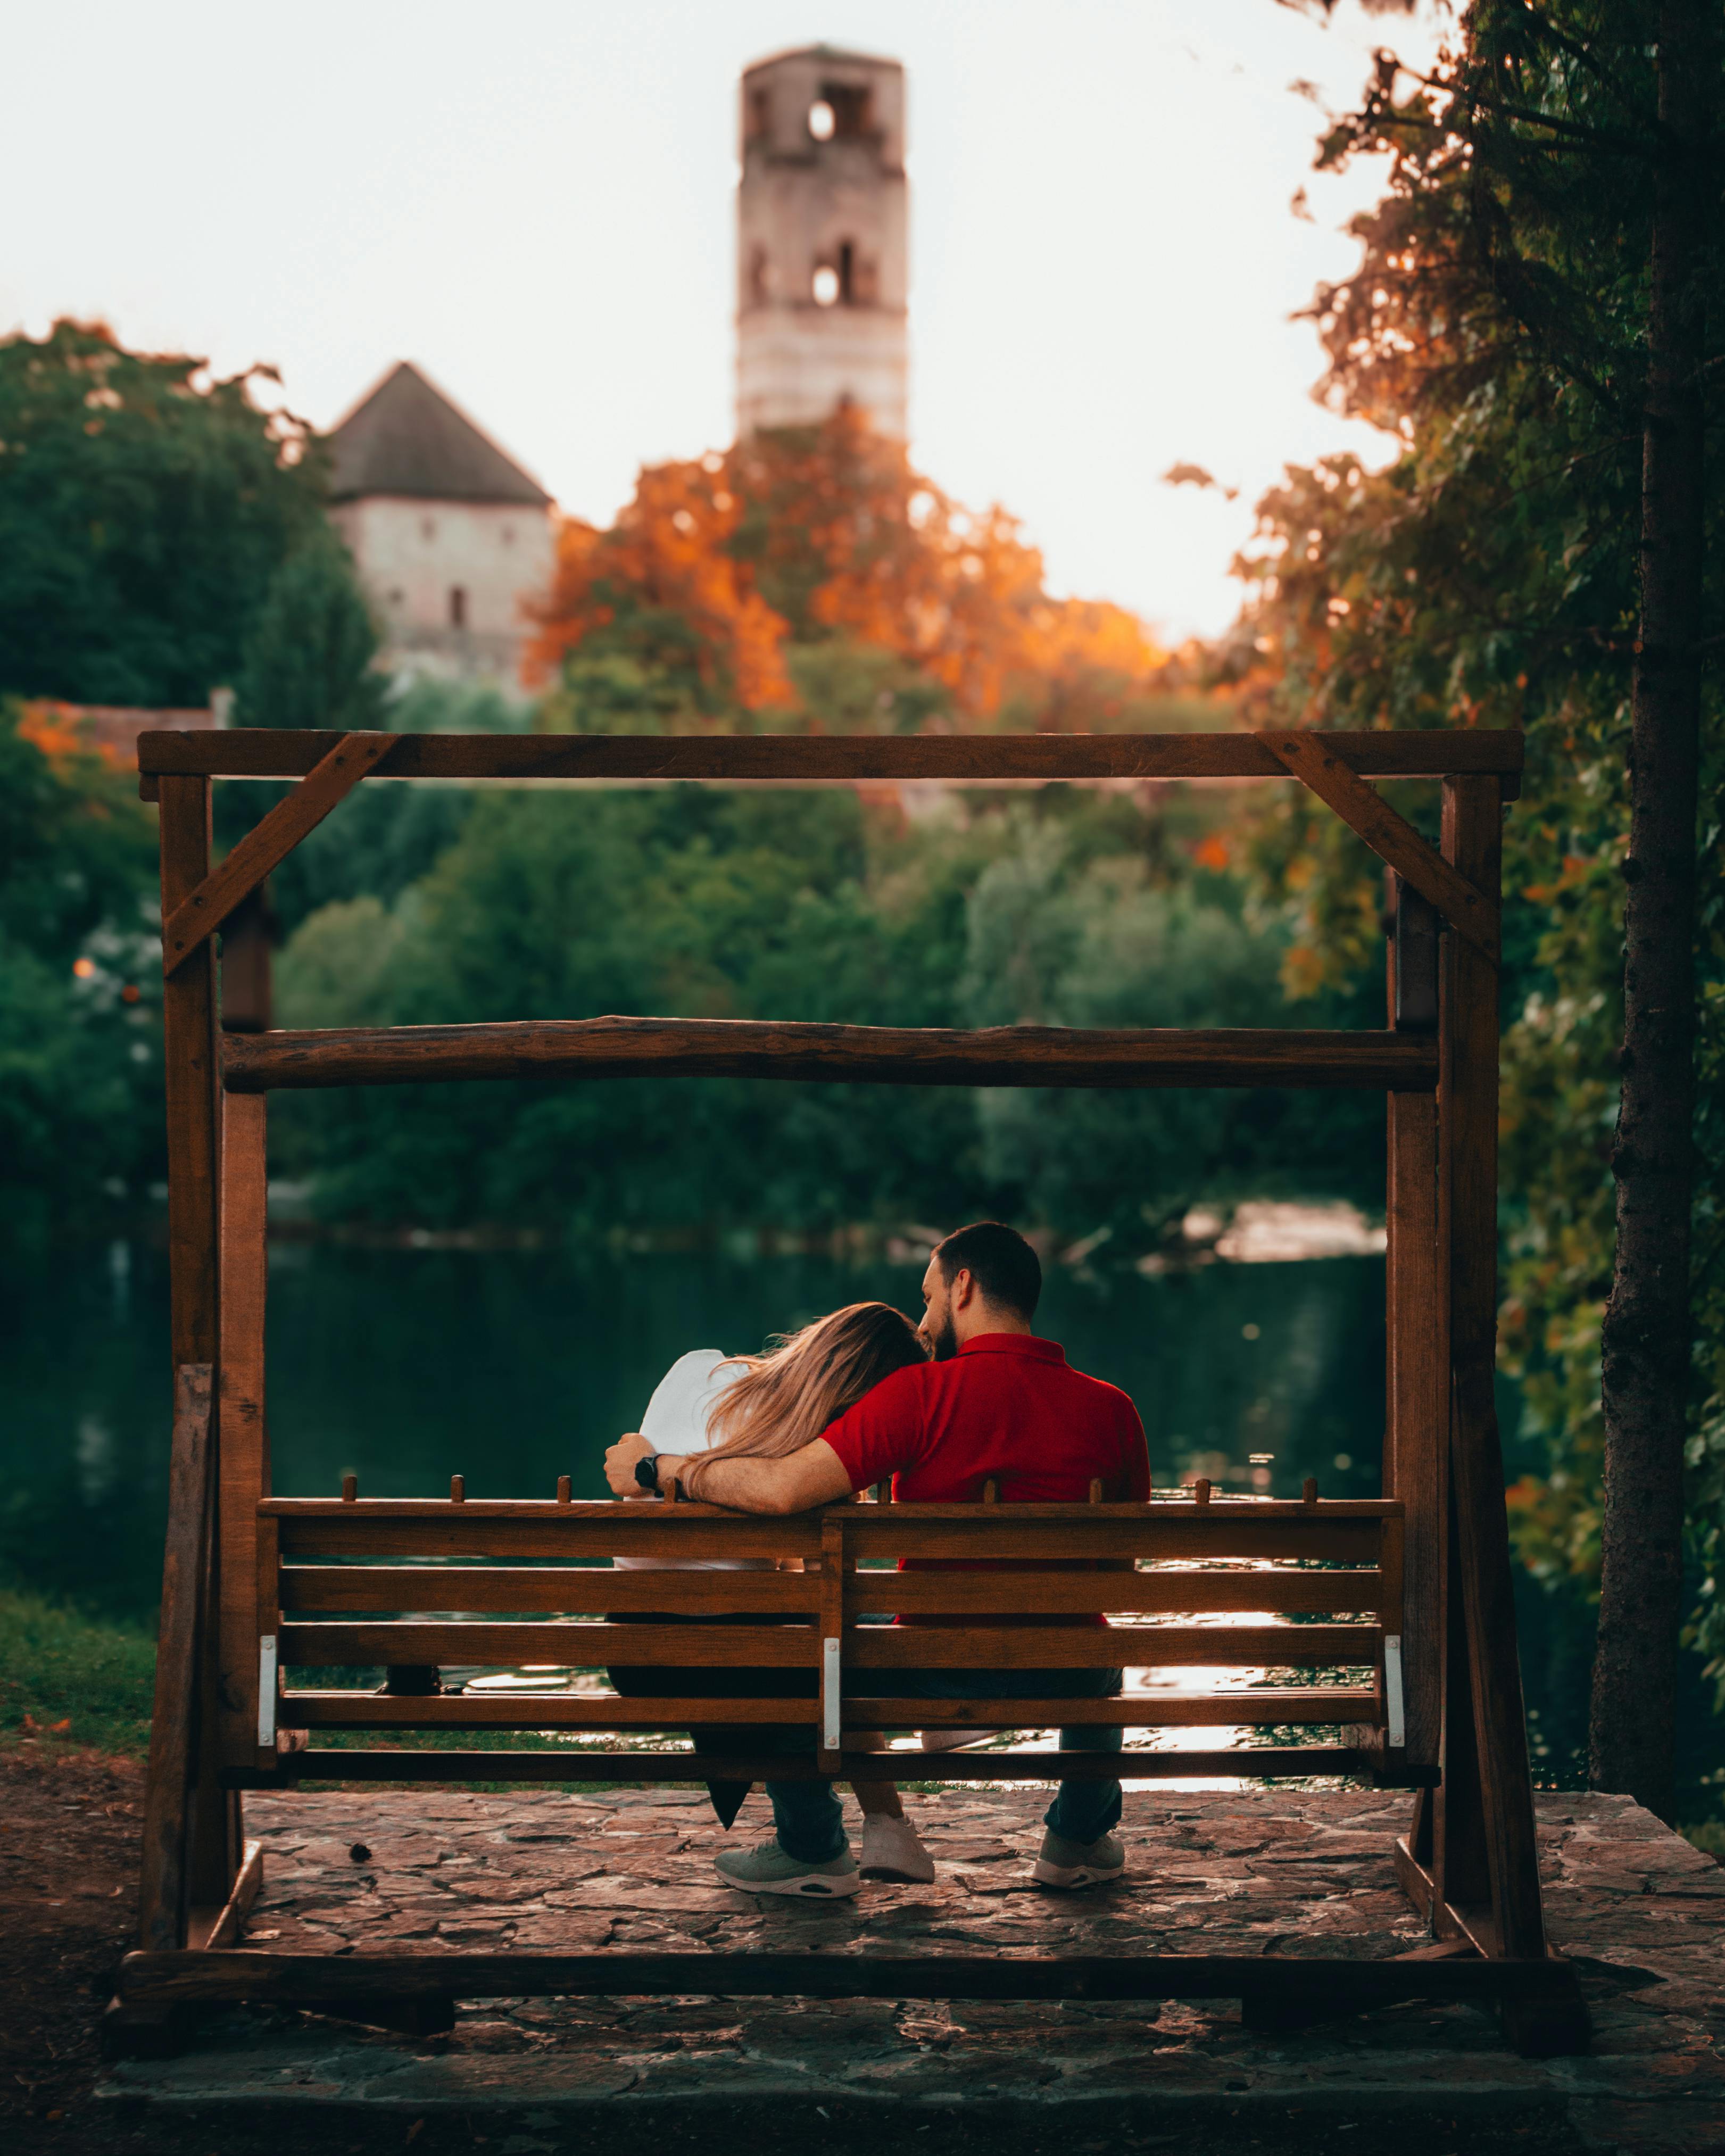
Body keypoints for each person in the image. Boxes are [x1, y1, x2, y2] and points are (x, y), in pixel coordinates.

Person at [605, 1222, 1151, 1902]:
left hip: (924, 1666)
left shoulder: (917, 1397)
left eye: (926, 1295)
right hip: (1066, 1664)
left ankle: (816, 1843)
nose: (923, 1321)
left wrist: (660, 1467)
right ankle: (1074, 1840)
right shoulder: (1114, 1409)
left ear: (962, 1286)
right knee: (1104, 1649)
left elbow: (782, 1489)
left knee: (820, 1638)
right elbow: (1123, 1567)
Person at [607, 1302, 940, 1885]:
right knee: (836, 1640)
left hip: (638, 1649)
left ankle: (847, 1837)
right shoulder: (805, 1459)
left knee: (815, 1634)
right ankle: (835, 1840)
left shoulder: (698, 1366)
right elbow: (818, 1580)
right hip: (736, 1659)